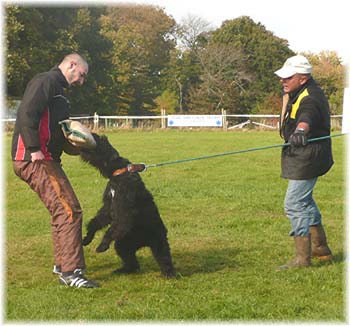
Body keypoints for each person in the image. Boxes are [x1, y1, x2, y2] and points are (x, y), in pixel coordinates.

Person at [12, 53, 99, 288]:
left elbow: (62, 132)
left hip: (47, 158)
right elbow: (26, 114)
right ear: (72, 64)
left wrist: (82, 146)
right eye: (82, 75)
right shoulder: (46, 82)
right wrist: (34, 149)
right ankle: (72, 272)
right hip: (35, 158)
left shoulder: (60, 92)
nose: (82, 81)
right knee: (69, 210)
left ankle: (62, 265)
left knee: (62, 210)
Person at [274, 54, 334, 270]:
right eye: (282, 77)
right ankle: (321, 248)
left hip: (309, 155)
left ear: (303, 77)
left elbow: (307, 116)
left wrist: (301, 131)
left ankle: (302, 259)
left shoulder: (310, 96)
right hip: (308, 153)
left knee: (294, 203)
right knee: (305, 200)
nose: (283, 80)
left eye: (288, 77)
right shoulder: (298, 91)